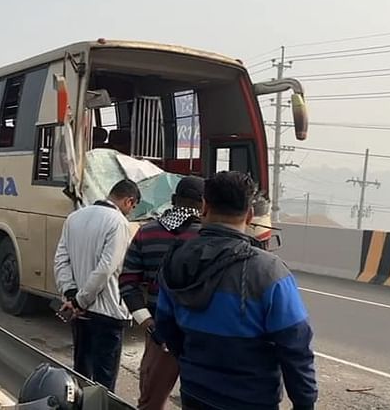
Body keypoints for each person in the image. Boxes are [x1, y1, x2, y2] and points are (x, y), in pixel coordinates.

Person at [156, 171, 317, 410]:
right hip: (251, 400)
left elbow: (166, 327)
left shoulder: (175, 259)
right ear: (250, 214)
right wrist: (304, 403)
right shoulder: (269, 271)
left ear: (204, 207)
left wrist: (194, 365)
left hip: (194, 393)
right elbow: (295, 347)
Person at [119, 176, 204, 410]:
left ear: (174, 200)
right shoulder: (209, 238)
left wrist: (148, 323)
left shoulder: (147, 232)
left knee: (150, 403)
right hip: (201, 337)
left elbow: (127, 282)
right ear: (205, 204)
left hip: (160, 335)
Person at [53, 179, 139, 392]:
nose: (131, 212)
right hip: (107, 313)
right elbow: (106, 268)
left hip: (79, 313)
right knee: (103, 383)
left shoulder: (74, 217)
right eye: (133, 207)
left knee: (81, 374)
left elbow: (61, 260)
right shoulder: (118, 223)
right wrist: (81, 300)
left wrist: (71, 295)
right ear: (129, 201)